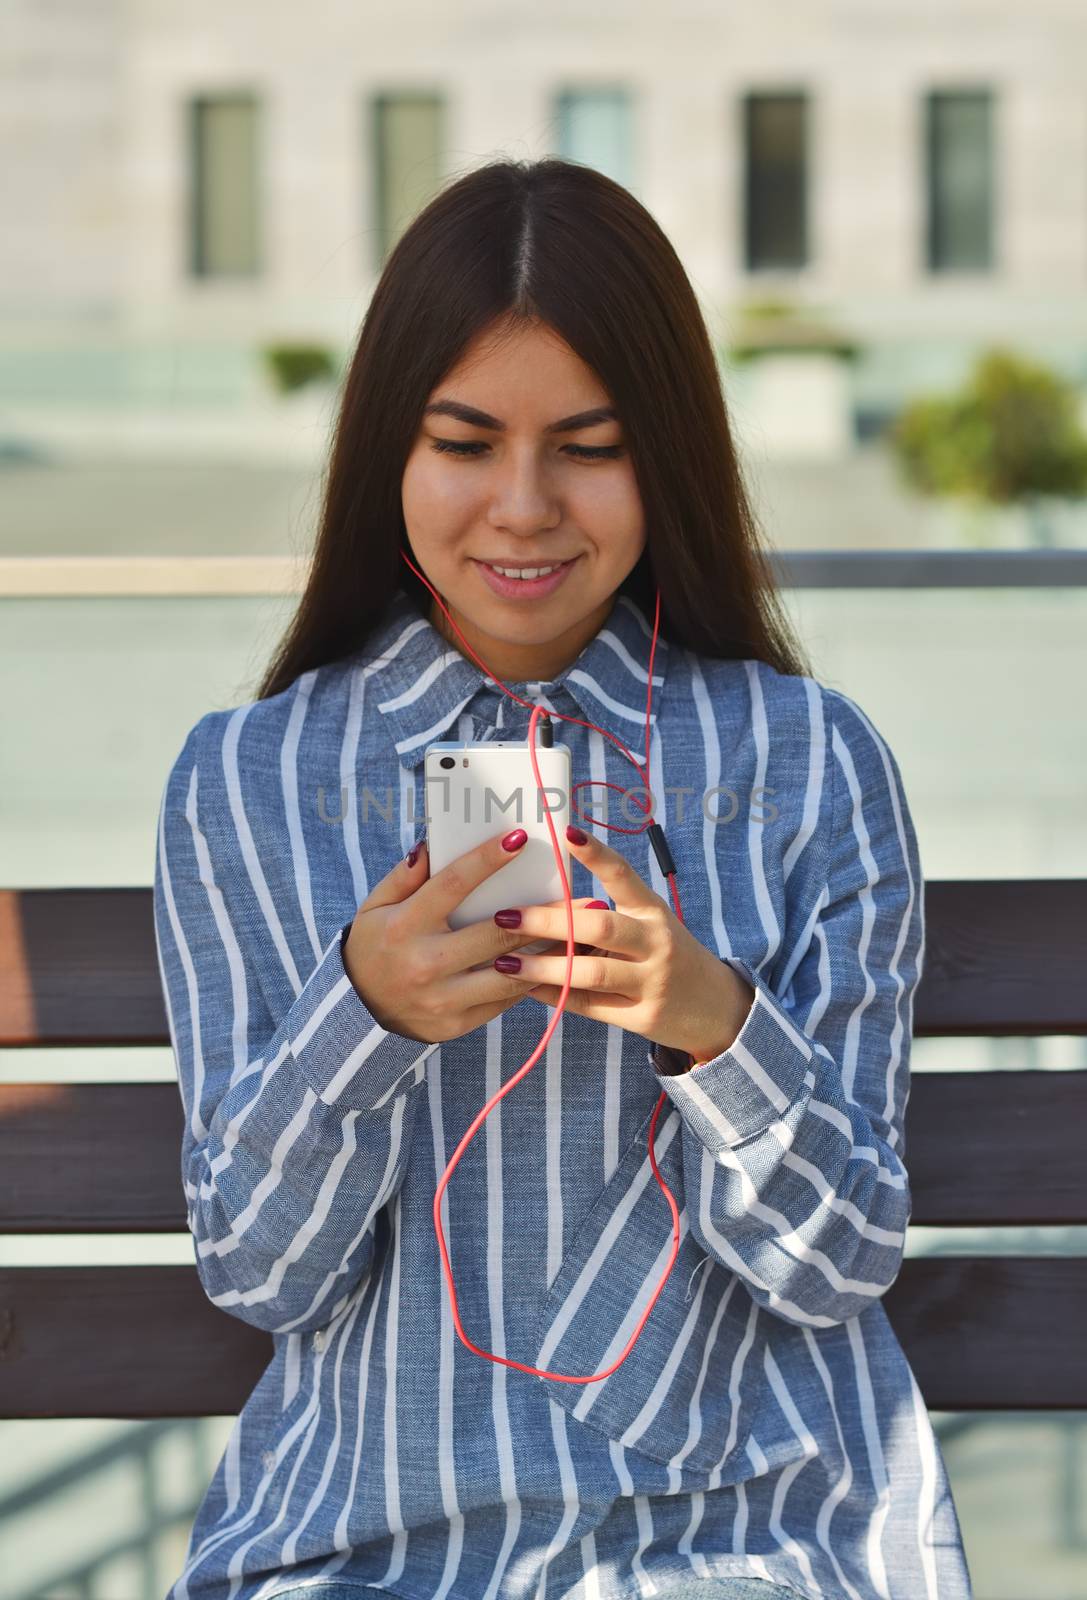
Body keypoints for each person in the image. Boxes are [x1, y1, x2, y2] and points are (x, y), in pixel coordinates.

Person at [152, 158, 973, 1600]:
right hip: (377, 1546)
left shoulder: (811, 764)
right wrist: (364, 1017)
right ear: (383, 458)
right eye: (464, 442)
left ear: (669, 454)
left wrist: (712, 1023)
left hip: (756, 1541)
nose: (522, 507)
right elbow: (260, 1274)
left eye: (588, 447)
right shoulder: (250, 780)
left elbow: (836, 1265)